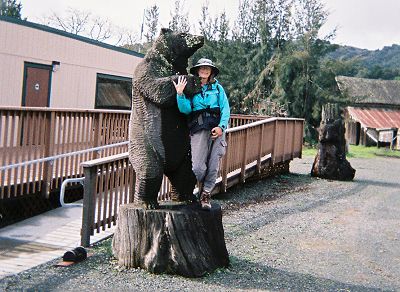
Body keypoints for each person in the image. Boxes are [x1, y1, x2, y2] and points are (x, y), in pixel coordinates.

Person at [173, 58, 230, 210]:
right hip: (199, 129)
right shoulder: (193, 88)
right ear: (197, 70)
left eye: (207, 68)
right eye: (202, 68)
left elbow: (226, 109)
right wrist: (180, 94)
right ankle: (199, 188)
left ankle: (205, 194)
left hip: (217, 129)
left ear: (211, 71)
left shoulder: (218, 88)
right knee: (198, 167)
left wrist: (221, 127)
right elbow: (186, 110)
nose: (204, 70)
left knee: (213, 166)